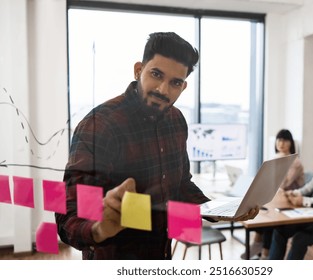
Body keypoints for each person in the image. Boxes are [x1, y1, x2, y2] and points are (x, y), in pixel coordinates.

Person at [55, 32, 258, 260]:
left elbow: (181, 185)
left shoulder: (176, 120)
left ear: (183, 86)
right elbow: (67, 216)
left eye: (175, 82)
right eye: (156, 74)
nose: (163, 89)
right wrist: (99, 227)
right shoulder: (100, 125)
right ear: (138, 70)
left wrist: (220, 211)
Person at [241, 129, 305, 259]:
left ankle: (264, 252)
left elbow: (283, 184)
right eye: (279, 139)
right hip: (279, 199)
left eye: (285, 140)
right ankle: (259, 244)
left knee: (270, 218)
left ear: (291, 143)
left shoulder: (294, 161)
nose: (281, 143)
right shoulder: (276, 158)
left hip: (292, 202)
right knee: (260, 210)